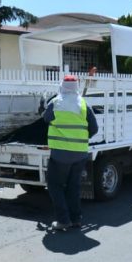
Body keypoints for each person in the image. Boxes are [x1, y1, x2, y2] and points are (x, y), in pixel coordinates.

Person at [43, 74, 98, 232]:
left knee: (55, 185)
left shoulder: (55, 103)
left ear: (62, 86)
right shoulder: (83, 104)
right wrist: (80, 137)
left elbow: (45, 119)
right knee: (73, 186)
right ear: (76, 87)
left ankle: (63, 220)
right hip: (80, 154)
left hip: (60, 154)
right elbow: (94, 128)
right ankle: (76, 219)